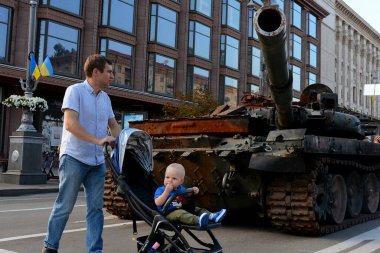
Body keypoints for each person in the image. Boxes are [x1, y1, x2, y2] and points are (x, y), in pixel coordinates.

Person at [42, 54, 121, 253]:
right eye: (109, 72)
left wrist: (123, 143)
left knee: (95, 209)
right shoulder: (74, 91)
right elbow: (70, 124)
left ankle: (95, 250)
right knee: (64, 206)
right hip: (74, 158)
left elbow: (113, 125)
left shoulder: (106, 98)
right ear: (96, 72)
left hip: (96, 162)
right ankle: (50, 247)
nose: (112, 76)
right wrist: (98, 140)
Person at [154, 163, 226, 228]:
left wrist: (193, 190)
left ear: (181, 181)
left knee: (196, 209)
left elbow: (187, 194)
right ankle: (198, 220)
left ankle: (212, 216)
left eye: (174, 178)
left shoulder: (180, 188)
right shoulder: (161, 190)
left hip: (180, 208)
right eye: (167, 177)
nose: (170, 180)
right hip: (168, 213)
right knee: (181, 213)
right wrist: (166, 192)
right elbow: (158, 202)